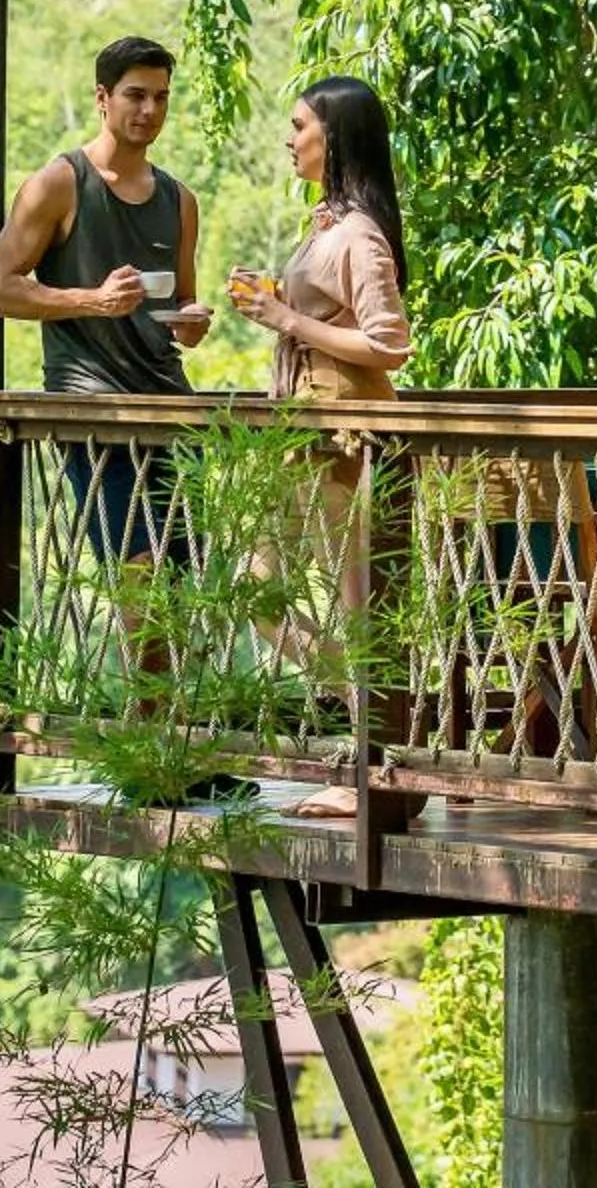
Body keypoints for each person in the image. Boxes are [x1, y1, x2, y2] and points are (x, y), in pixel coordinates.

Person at [0, 39, 218, 758]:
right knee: (140, 576)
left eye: (161, 97)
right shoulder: (58, 184)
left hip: (169, 406)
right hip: (94, 408)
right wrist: (91, 298)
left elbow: (179, 303)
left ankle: (180, 737)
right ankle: (149, 743)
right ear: (103, 98)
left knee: (185, 578)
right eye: (136, 95)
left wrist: (193, 320)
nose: (149, 110)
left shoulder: (179, 200)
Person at [229, 76, 412, 818]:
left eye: (299, 124)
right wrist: (280, 310)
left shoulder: (360, 232)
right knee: (254, 587)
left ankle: (376, 768)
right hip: (301, 439)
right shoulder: (328, 226)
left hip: (348, 440)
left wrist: (284, 316)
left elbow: (387, 344)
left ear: (332, 139)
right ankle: (387, 721)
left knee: (360, 606)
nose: (289, 137)